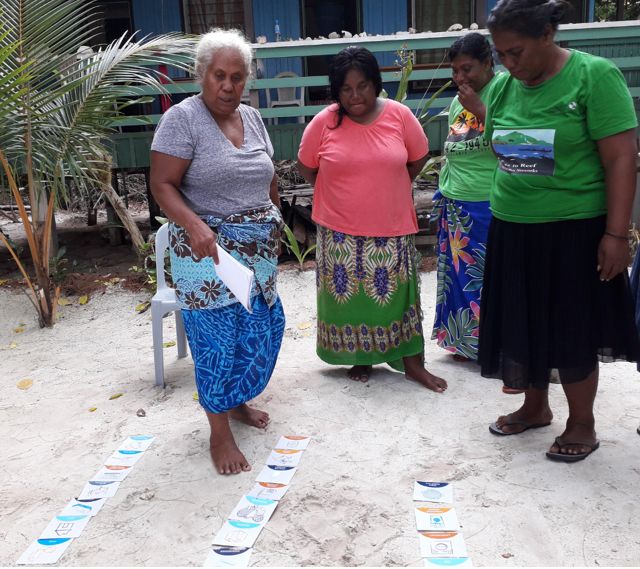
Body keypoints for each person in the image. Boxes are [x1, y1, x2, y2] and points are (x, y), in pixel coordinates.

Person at [480, 0, 639, 461]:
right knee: (524, 322)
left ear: (548, 35)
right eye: (501, 55)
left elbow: (621, 159)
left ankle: (582, 423)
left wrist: (616, 235)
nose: (509, 64)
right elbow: (502, 146)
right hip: (514, 227)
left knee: (573, 328)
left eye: (517, 52)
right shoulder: (505, 88)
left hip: (574, 231)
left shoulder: (594, 77)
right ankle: (534, 407)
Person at [150, 29, 285, 475]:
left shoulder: (252, 117)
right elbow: (162, 185)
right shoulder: (182, 120)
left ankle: (237, 400)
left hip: (258, 252)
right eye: (219, 76)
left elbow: (267, 175)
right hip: (207, 255)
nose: (228, 86)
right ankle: (219, 433)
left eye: (238, 77)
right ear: (201, 75)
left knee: (257, 331)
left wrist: (275, 214)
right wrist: (194, 225)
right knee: (216, 344)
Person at [297, 46, 447, 393]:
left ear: (375, 84)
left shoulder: (399, 115)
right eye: (346, 89)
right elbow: (307, 165)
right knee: (348, 300)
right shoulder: (324, 122)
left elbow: (418, 157)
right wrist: (335, 192)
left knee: (399, 299)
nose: (355, 96)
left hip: (392, 226)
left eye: (362, 86)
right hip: (339, 232)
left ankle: (412, 364)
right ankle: (360, 357)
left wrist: (392, 186)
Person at [431, 33, 497, 364]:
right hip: (456, 204)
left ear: (488, 62)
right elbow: (454, 149)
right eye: (455, 71)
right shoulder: (458, 101)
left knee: (487, 278)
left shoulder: (502, 93)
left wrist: (482, 110)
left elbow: (514, 145)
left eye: (467, 68)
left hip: (488, 204)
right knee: (458, 278)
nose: (460, 78)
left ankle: (492, 345)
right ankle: (463, 342)